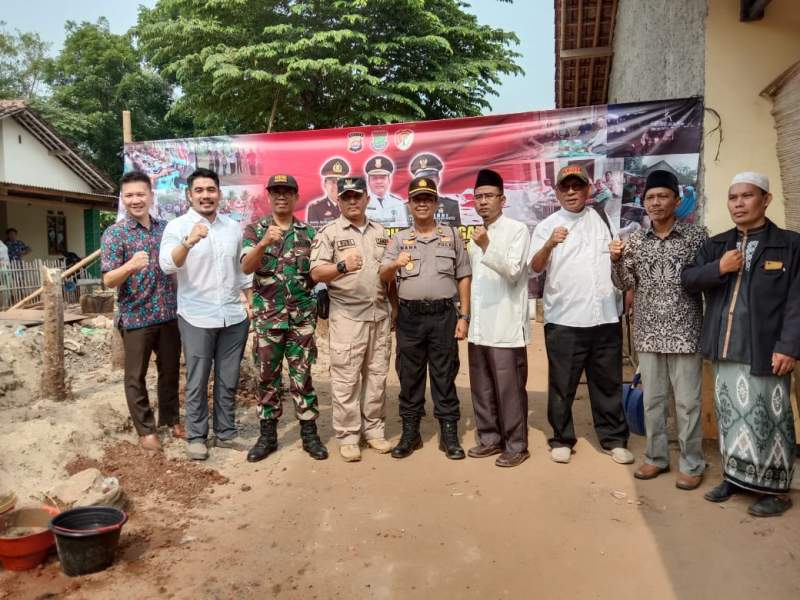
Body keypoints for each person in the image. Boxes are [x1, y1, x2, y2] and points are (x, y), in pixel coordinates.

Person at [682, 171, 799, 517]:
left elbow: (797, 300)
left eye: (747, 196)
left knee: (769, 420)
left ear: (766, 200)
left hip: (766, 350)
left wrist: (789, 346)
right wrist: (718, 267)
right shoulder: (717, 244)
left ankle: (777, 491)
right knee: (730, 417)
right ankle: (735, 478)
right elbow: (688, 279)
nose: (739, 203)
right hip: (725, 347)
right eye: (733, 198)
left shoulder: (790, 245)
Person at [530, 164, 632, 466]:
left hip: (604, 317)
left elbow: (617, 261)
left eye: (578, 186)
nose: (572, 192)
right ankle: (562, 439)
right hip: (564, 319)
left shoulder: (603, 219)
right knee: (562, 385)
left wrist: (616, 256)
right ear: (557, 191)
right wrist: (550, 243)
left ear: (588, 189)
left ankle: (613, 439)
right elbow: (535, 267)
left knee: (608, 383)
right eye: (566, 187)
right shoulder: (547, 225)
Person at [610, 170, 706, 489]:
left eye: (662, 196)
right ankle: (656, 458)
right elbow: (624, 283)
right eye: (650, 197)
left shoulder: (697, 237)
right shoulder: (635, 241)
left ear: (677, 201)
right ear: (643, 203)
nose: (656, 202)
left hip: (686, 331)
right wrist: (615, 261)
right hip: (648, 332)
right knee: (652, 399)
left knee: (688, 403)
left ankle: (692, 463)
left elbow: (708, 280)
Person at [160, 168, 253, 461]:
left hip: (233, 316)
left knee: (228, 378)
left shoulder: (233, 227)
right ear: (189, 195)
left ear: (219, 194)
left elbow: (241, 272)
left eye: (210, 190)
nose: (205, 196)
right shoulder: (177, 227)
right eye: (199, 190)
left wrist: (250, 303)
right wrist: (188, 242)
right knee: (198, 379)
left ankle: (225, 432)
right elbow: (167, 265)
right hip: (196, 315)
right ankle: (197, 436)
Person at [380, 176, 471, 460]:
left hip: (443, 315)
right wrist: (395, 263)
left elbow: (464, 276)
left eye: (427, 199)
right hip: (410, 317)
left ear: (435, 203)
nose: (422, 203)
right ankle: (411, 432)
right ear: (409, 205)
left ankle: (449, 433)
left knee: (445, 375)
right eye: (416, 199)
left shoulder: (452, 236)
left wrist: (464, 315)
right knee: (410, 376)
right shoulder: (399, 239)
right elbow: (384, 277)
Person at [241, 174, 328, 462]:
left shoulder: (308, 234)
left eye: (287, 191)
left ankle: (309, 434)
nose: (281, 196)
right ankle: (267, 436)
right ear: (269, 196)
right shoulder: (255, 230)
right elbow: (246, 267)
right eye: (276, 191)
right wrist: (264, 243)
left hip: (301, 320)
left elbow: (315, 275)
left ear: (296, 196)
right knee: (267, 378)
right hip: (268, 320)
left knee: (302, 377)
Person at [310, 177, 394, 462]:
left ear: (367, 198)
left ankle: (374, 431)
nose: (352, 201)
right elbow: (316, 273)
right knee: (346, 380)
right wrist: (342, 266)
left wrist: (395, 311)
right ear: (339, 201)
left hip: (379, 316)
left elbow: (389, 277)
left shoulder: (382, 232)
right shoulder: (330, 233)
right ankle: (347, 435)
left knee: (377, 377)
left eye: (357, 196)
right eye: (346, 197)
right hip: (347, 317)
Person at [101, 170, 183, 452]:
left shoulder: (166, 229)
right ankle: (146, 429)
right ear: (123, 200)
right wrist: (129, 266)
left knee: (170, 370)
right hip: (136, 316)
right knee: (135, 377)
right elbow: (108, 279)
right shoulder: (115, 233)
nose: (135, 200)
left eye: (140, 194)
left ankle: (170, 419)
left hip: (169, 313)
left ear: (151, 196)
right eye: (129, 196)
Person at [467, 169, 531, 468]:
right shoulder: (474, 235)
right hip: (479, 324)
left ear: (502, 200)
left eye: (489, 196)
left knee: (509, 388)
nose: (483, 202)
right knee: (482, 386)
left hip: (505, 322)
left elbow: (515, 270)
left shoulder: (517, 230)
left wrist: (486, 246)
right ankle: (490, 439)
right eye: (478, 197)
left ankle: (517, 445)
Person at [408, 153, 461, 226]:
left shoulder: (451, 206)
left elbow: (456, 234)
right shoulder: (406, 208)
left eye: (430, 177)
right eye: (422, 178)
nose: (426, 182)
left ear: (438, 179)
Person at [365, 155, 408, 227]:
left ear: (389, 180)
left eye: (382, 177)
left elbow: (403, 230)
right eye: (374, 178)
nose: (379, 181)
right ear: (368, 181)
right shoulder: (362, 203)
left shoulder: (398, 203)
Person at [306, 158, 349, 227]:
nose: (336, 186)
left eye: (340, 182)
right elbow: (315, 235)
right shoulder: (315, 208)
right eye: (332, 182)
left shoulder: (352, 205)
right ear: (324, 184)